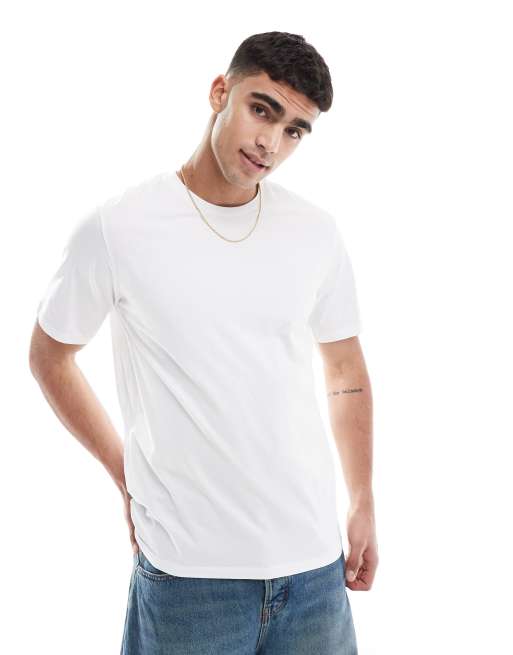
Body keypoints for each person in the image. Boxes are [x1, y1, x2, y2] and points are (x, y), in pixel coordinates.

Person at [29, 30, 378, 655]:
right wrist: (124, 474)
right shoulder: (120, 227)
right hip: (190, 578)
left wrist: (362, 499)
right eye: (262, 110)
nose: (271, 142)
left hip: (313, 571)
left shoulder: (315, 233)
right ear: (221, 92)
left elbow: (346, 370)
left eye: (295, 130)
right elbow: (49, 355)